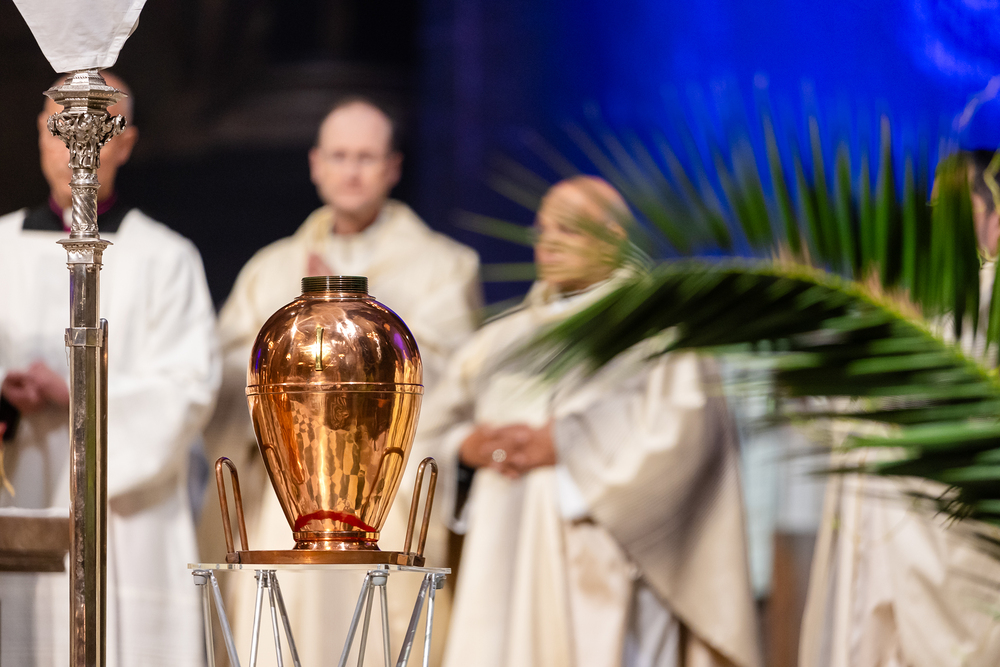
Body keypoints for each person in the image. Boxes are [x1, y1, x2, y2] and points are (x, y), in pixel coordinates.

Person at [426, 176, 760, 667]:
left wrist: (567, 443)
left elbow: (683, 437)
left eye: (568, 229)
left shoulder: (658, 332)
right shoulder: (501, 339)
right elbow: (430, 431)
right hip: (499, 560)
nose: (549, 242)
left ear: (614, 237)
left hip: (603, 560)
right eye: (542, 229)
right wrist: (466, 449)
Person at [201, 96, 480, 666]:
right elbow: (228, 377)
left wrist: (349, 325)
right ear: (316, 164)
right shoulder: (270, 267)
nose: (351, 170)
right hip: (292, 492)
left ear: (393, 168)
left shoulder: (446, 266)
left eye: (366, 157)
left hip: (383, 491)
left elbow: (452, 381)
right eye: (339, 155)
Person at [0, 73, 220, 667]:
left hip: (128, 518)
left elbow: (188, 389)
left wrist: (80, 394)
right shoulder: (0, 247)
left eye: (99, 129)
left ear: (126, 142)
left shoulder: (166, 257)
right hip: (20, 488)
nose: (76, 145)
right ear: (39, 134)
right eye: (60, 126)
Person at [798, 150, 1000, 667]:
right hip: (881, 544)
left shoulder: (987, 300)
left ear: (996, 218)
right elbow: (839, 412)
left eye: (950, 209)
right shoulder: (922, 301)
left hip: (953, 563)